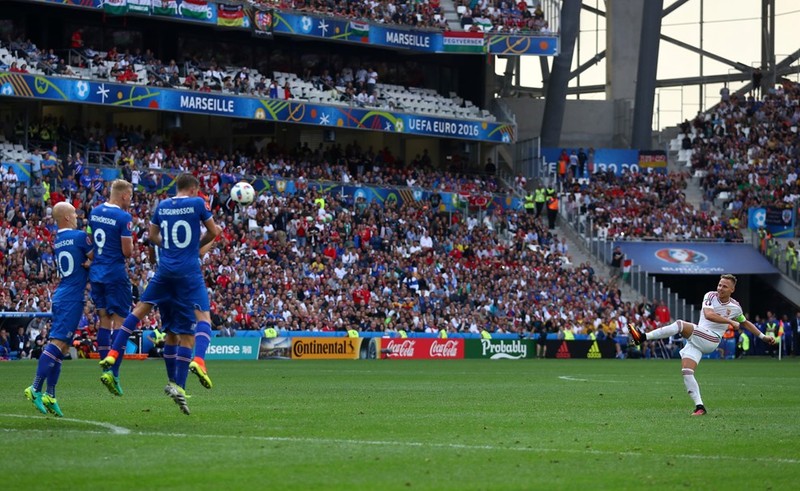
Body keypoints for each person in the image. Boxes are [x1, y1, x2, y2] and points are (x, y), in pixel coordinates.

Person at [102, 173, 219, 414]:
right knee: (199, 322)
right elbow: (213, 232)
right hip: (187, 274)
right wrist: (192, 246)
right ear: (195, 189)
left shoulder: (162, 206)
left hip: (164, 273)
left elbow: (152, 237)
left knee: (145, 315)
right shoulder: (197, 203)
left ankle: (113, 355)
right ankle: (197, 363)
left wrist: (172, 248)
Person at [629, 274, 775, 416]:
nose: (720, 288)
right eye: (719, 285)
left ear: (732, 290)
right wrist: (730, 321)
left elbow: (745, 322)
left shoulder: (735, 307)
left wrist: (762, 337)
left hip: (711, 339)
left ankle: (642, 337)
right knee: (687, 372)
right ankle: (700, 407)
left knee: (680, 324)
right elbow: (708, 315)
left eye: (725, 286)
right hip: (698, 338)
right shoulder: (710, 296)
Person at [24, 201, 93, 417]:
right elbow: (98, 255)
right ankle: (35, 387)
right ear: (66, 218)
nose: (77, 216)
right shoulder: (80, 237)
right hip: (71, 297)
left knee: (63, 349)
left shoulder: (59, 240)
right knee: (58, 343)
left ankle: (50, 394)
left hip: (63, 294)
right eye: (73, 213)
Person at [89, 179, 133, 397]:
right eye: (130, 197)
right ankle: (113, 372)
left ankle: (105, 367)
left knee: (104, 321)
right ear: (124, 195)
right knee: (123, 324)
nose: (131, 201)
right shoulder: (123, 217)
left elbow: (90, 242)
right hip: (115, 274)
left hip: (96, 272)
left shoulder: (94, 212)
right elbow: (127, 252)